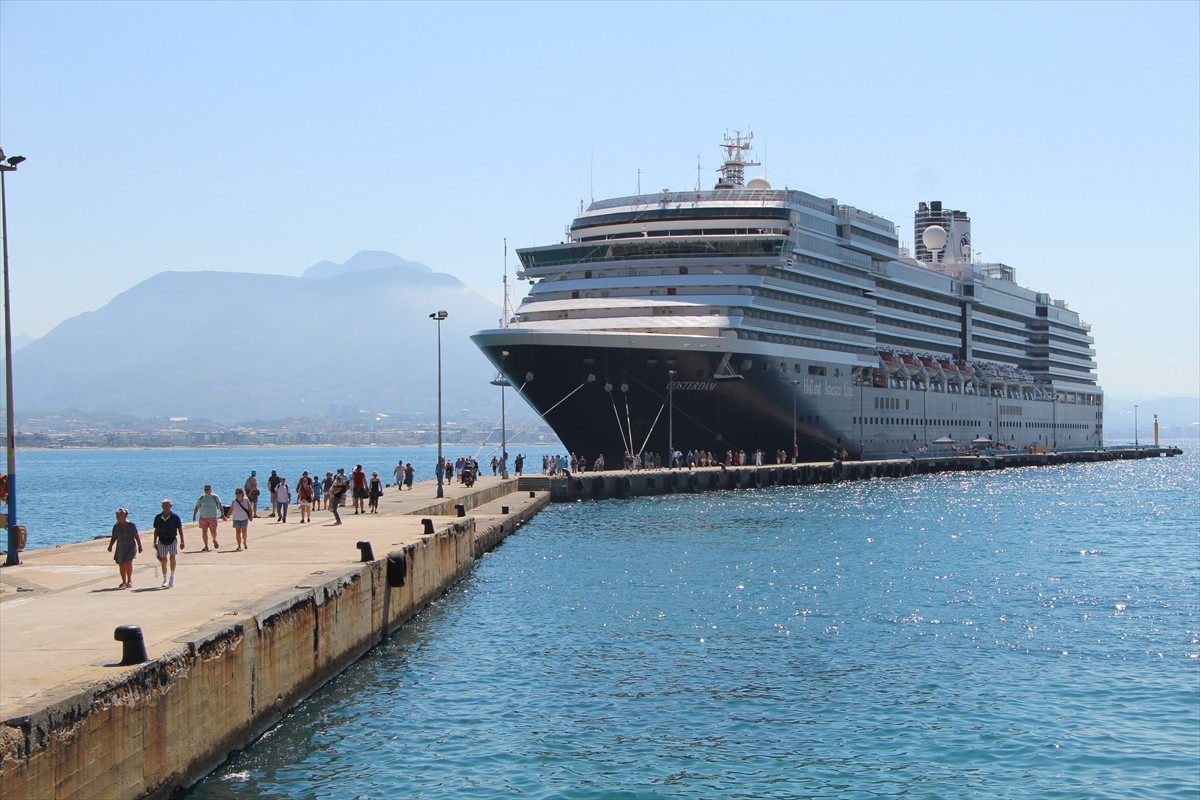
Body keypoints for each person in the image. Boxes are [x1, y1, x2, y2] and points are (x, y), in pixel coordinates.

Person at [107, 507, 142, 589]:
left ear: (125, 516)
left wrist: (140, 546)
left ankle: (129, 580)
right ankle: (124, 581)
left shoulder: (131, 525)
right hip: (120, 548)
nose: (118, 518)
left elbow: (136, 536)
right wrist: (110, 546)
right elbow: (114, 537)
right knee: (121, 564)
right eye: (117, 516)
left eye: (120, 516)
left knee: (128, 563)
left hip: (130, 547)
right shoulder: (116, 527)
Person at [152, 499, 184, 589]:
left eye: (167, 505)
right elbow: (156, 530)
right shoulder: (158, 517)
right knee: (164, 559)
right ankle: (165, 578)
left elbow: (180, 529)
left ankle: (172, 576)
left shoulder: (175, 517)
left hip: (172, 539)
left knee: (172, 557)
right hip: (161, 539)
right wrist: (154, 541)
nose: (166, 507)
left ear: (171, 506)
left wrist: (182, 541)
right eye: (164, 505)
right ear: (162, 507)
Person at [192, 484, 223, 551]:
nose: (206, 491)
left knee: (213, 531)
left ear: (210, 490)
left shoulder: (215, 497)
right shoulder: (201, 498)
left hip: (212, 517)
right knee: (204, 531)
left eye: (207, 489)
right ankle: (206, 546)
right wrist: (194, 515)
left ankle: (214, 540)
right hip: (203, 517)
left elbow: (220, 505)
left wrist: (222, 514)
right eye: (205, 490)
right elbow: (197, 507)